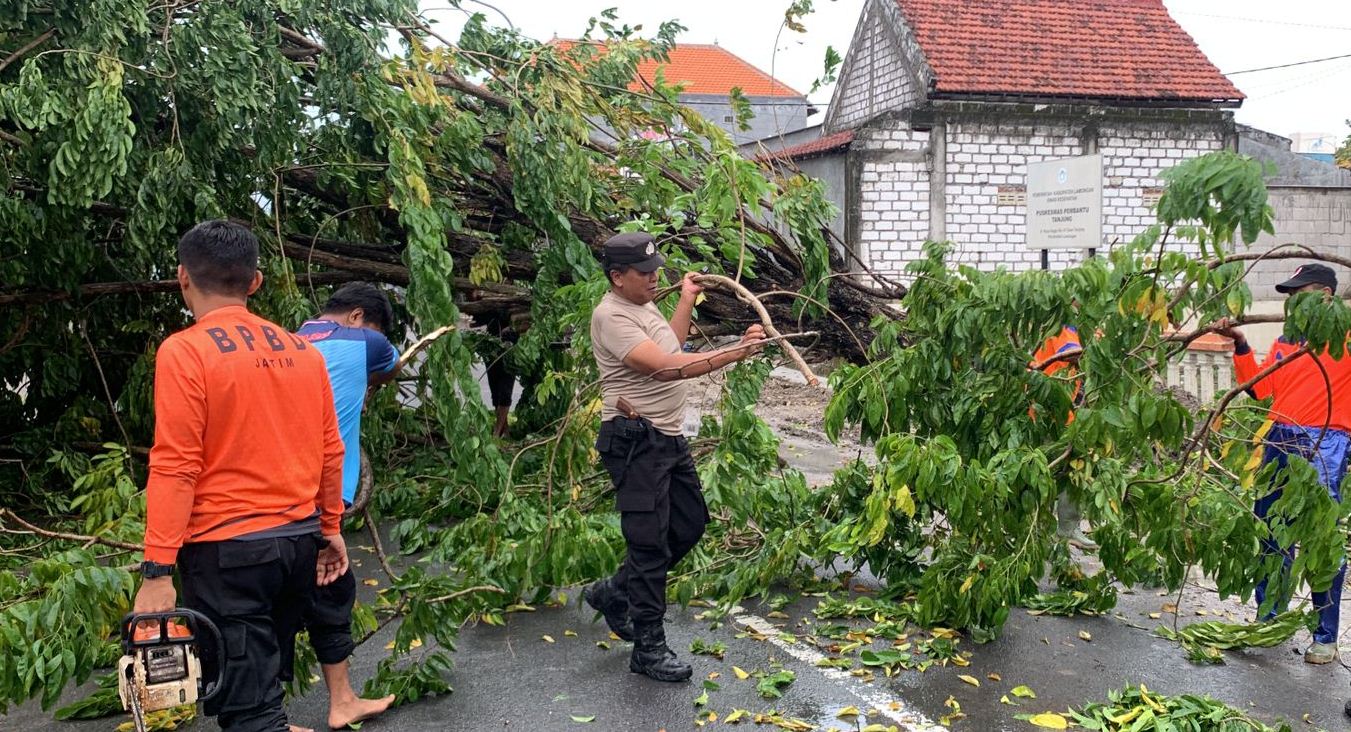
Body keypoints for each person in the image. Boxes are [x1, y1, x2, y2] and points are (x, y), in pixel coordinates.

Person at [132, 220, 349, 732]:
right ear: (255, 282)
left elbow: (175, 465)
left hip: (227, 555)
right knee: (263, 692)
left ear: (183, 277)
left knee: (249, 712)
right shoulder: (303, 351)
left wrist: (157, 572)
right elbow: (330, 452)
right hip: (296, 544)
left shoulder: (185, 352)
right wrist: (331, 529)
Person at [582, 231, 765, 682]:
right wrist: (735, 352)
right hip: (634, 441)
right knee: (648, 544)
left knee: (689, 524)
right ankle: (648, 648)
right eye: (645, 273)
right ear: (616, 277)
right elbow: (666, 366)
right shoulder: (611, 316)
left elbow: (671, 347)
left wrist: (684, 299)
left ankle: (615, 590)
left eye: (657, 271)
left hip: (666, 437)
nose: (653, 278)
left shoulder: (643, 306)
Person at [1214, 262, 1349, 665]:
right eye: (1289, 294)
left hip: (1327, 442)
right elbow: (1260, 390)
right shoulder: (1286, 340)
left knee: (1321, 539)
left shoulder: (1346, 337)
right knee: (1271, 531)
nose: (1291, 300)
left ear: (1326, 295)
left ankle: (1325, 636)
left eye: (1299, 291)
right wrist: (1239, 343)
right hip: (1281, 438)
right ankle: (1268, 617)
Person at [293, 283, 401, 728]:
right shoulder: (366, 340)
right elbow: (390, 367)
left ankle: (342, 701)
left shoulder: (291, 338)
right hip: (321, 494)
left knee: (326, 591)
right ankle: (268, 719)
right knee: (311, 593)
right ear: (358, 316)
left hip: (282, 487)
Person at [1030, 326, 1096, 550]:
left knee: (1066, 467)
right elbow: (1073, 353)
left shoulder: (1063, 324)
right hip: (1048, 413)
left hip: (1057, 411)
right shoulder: (1063, 326)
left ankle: (1058, 527)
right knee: (1053, 469)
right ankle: (1050, 528)